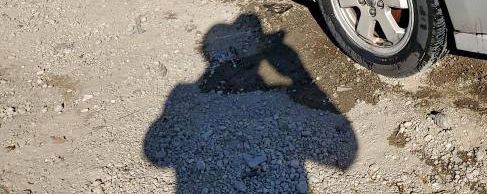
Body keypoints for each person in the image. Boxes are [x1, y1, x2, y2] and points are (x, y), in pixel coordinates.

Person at [144, 13, 356, 193]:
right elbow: (346, 154)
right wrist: (300, 75)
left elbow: (155, 154)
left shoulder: (182, 95)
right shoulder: (183, 96)